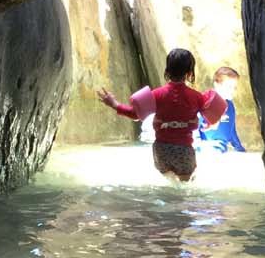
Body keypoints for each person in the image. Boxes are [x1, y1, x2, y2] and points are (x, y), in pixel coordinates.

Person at [97, 48, 226, 182]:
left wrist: (114, 104)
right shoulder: (196, 97)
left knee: (169, 181)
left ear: (167, 70)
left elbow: (135, 115)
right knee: (186, 184)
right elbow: (214, 116)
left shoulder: (156, 95)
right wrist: (210, 124)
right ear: (189, 73)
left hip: (161, 150)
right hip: (184, 151)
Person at [197, 66, 247, 153]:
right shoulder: (206, 102)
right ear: (217, 85)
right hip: (206, 150)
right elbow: (191, 127)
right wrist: (200, 145)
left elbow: (231, 130)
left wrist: (239, 148)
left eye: (235, 87)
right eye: (229, 86)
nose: (232, 90)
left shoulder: (230, 105)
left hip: (221, 149)